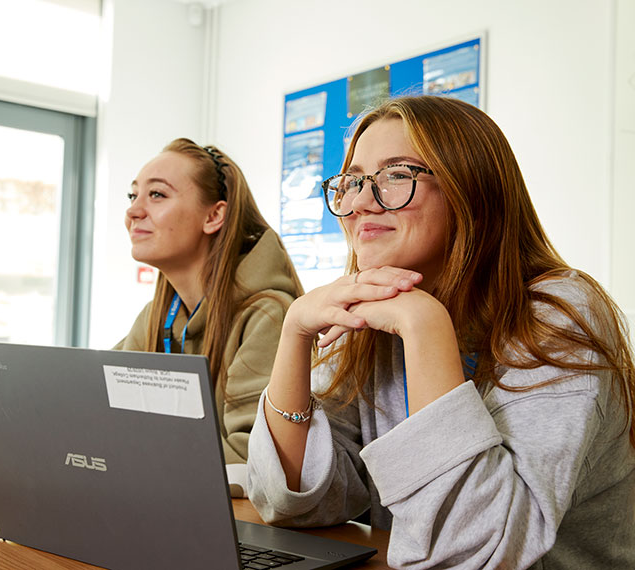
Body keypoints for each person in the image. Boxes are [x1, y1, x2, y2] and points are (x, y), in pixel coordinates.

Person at [247, 96, 635, 569]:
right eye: (351, 182)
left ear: (471, 189)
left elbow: (476, 553)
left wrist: (425, 326)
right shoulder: (377, 309)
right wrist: (295, 333)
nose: (359, 203)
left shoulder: (556, 313)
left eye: (396, 175)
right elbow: (292, 504)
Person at [113, 138, 303, 464]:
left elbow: (254, 459)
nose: (133, 211)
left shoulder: (268, 317)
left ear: (214, 216)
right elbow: (100, 409)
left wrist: (128, 457)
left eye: (157, 194)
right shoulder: (156, 317)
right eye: (133, 195)